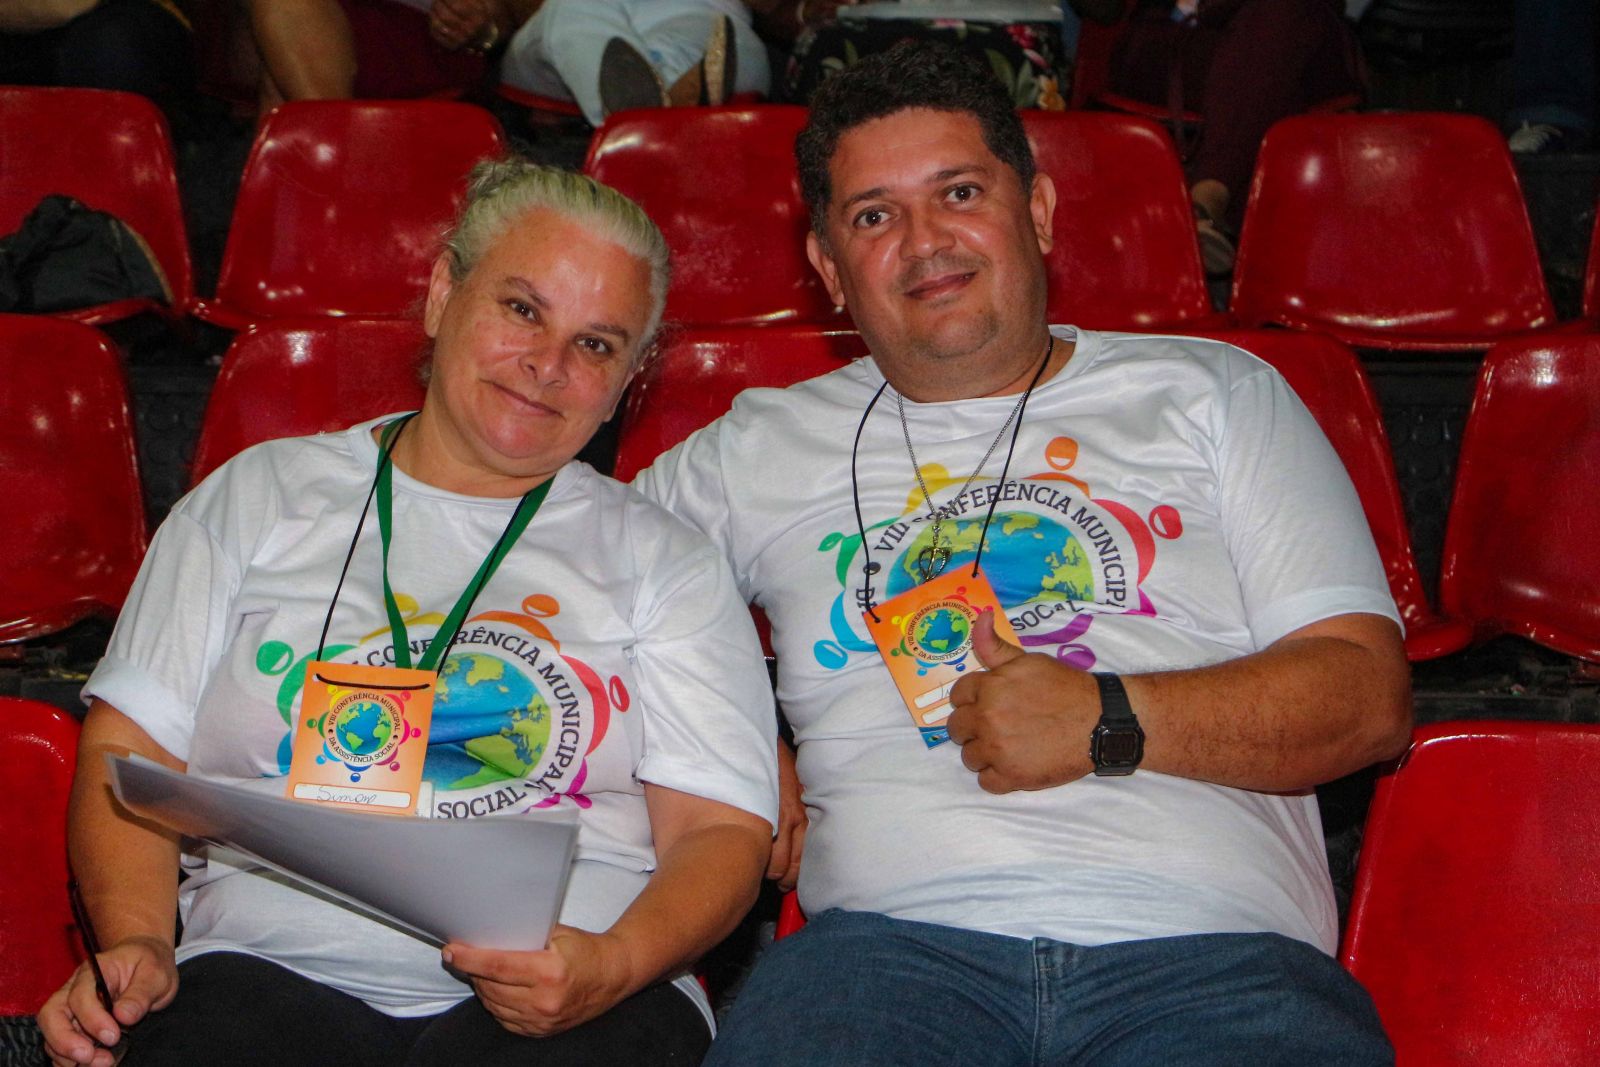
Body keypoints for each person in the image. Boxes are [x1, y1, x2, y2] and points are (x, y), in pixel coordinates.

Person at [635, 40, 1410, 1065]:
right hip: (880, 962)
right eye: (873, 216)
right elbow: (560, 577)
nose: (925, 242)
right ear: (827, 270)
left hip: (1215, 957)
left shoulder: (1213, 394)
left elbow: (1364, 696)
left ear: (1037, 212)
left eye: (959, 193)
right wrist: (727, 739)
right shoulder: (755, 447)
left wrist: (1107, 718)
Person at [39, 160, 778, 1067]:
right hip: (268, 965)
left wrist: (614, 963)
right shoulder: (259, 497)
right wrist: (142, 940)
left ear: (629, 377)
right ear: (441, 295)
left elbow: (719, 832)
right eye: (523, 309)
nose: (547, 364)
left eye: (595, 344)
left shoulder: (666, 559)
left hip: (578, 979)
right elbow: (131, 752)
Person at [1103, 0, 1364, 273]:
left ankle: (1206, 201)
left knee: (1277, 25)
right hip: (1187, 38)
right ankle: (1208, 218)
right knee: (1263, 77)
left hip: (1281, 35)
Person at [500, 1, 770, 126]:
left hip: (700, 13)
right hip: (579, 18)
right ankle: (656, 109)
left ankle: (644, 109)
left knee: (712, 44)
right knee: (569, 13)